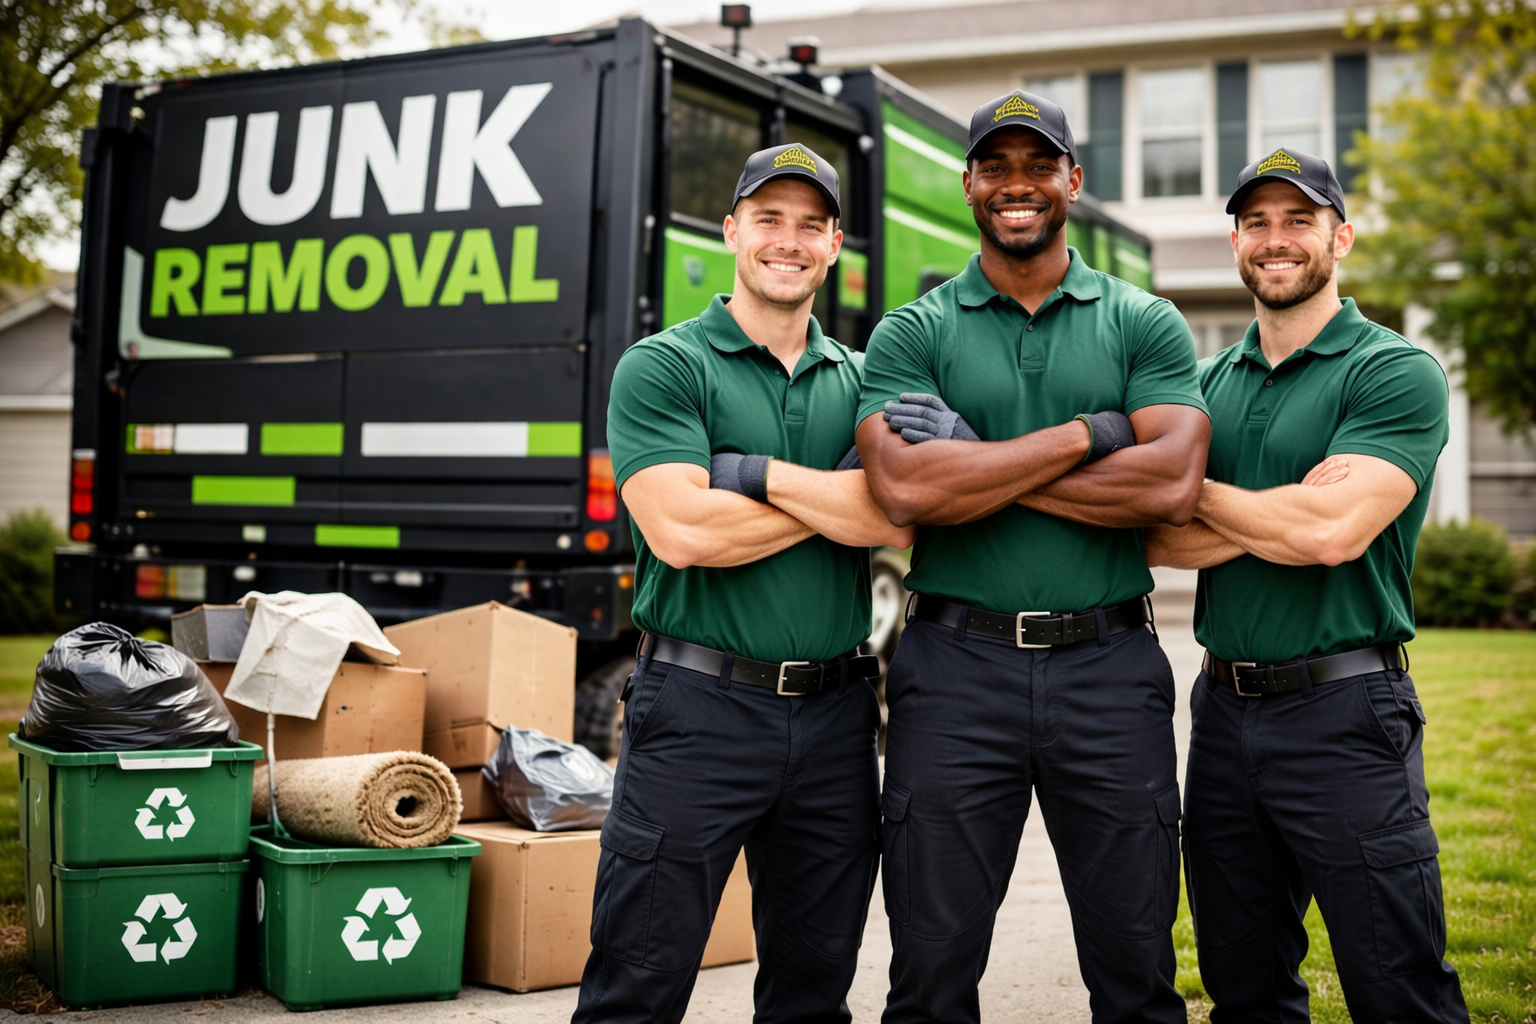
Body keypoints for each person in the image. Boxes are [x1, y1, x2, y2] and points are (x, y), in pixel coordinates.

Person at [856, 90, 1209, 1024]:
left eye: (1039, 165)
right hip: (952, 669)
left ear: (1072, 181)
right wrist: (1087, 435)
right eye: (998, 166)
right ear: (967, 182)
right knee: (929, 974)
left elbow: (1169, 485)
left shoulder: (1144, 321)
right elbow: (904, 493)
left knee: (1137, 970)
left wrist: (973, 454)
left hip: (1110, 668)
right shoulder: (911, 331)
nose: (1019, 185)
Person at [572, 143, 913, 1024]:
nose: (788, 241)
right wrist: (840, 495)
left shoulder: (868, 378)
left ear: (836, 244)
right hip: (696, 709)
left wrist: (750, 474)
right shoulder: (665, 366)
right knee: (637, 985)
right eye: (769, 219)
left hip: (839, 719)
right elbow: (682, 532)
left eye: (811, 224)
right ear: (732, 231)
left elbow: (901, 521)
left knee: (812, 993)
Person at [1146, 148, 1470, 1023]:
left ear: (1342, 237)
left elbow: (1334, 532)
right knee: (1242, 983)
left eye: (1299, 220)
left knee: (1396, 981)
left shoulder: (1392, 371)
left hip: (1347, 713)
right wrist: (1274, 513)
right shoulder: (1208, 386)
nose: (1276, 239)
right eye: (1257, 222)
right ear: (1236, 242)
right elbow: (1159, 541)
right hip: (1222, 716)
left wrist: (1195, 491)